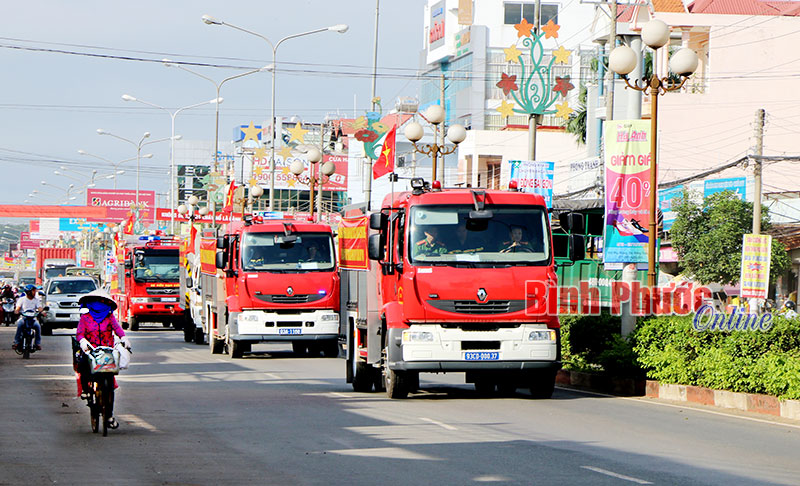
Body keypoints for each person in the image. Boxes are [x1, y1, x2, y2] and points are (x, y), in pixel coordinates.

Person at [76, 289, 130, 430]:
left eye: (102, 302)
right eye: (96, 302)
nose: (99, 305)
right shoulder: (85, 318)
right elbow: (80, 334)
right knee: (82, 365)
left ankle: (109, 415)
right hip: (91, 351)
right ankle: (86, 391)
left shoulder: (109, 317)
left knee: (110, 387)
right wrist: (83, 342)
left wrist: (124, 338)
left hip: (107, 353)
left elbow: (118, 330)